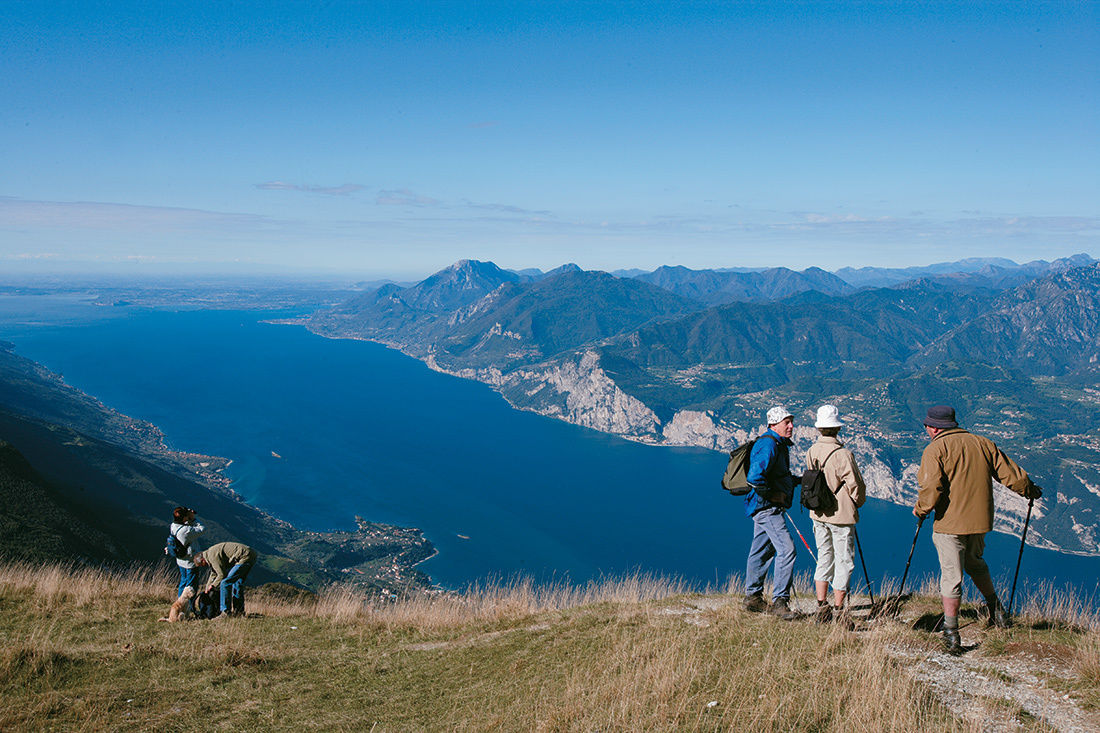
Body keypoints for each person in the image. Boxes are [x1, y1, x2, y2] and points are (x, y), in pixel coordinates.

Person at [913, 405, 1042, 653]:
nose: (927, 430)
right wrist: (1030, 490)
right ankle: (997, 611)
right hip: (979, 520)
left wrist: (921, 510)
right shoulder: (983, 443)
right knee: (975, 562)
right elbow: (1011, 475)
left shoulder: (935, 449)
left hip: (950, 523)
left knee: (952, 576)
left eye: (927, 426)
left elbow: (931, 487)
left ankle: (951, 633)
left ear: (935, 427)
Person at [805, 405, 866, 625]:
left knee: (824, 558)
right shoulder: (843, 454)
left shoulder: (812, 450)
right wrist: (857, 503)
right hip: (840, 516)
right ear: (837, 428)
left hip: (818, 513)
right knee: (844, 562)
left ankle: (822, 606)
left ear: (820, 428)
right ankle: (839, 611)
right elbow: (856, 486)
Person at [742, 406, 800, 620]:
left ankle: (752, 598)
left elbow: (776, 475)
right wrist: (773, 496)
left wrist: (800, 480)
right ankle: (780, 602)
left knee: (761, 550)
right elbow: (755, 477)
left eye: (791, 421)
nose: (791, 426)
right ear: (774, 424)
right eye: (787, 422)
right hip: (767, 508)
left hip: (761, 507)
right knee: (787, 550)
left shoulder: (776, 444)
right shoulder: (769, 444)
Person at [193, 541, 257, 618]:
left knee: (225, 583)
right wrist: (207, 587)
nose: (203, 566)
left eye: (202, 565)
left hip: (244, 557)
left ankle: (225, 612)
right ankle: (239, 612)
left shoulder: (212, 556)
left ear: (203, 560)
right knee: (237, 583)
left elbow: (221, 574)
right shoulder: (209, 554)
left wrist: (213, 585)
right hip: (250, 554)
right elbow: (214, 573)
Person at [169, 506, 205, 612]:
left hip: (180, 560)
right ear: (184, 518)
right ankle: (189, 608)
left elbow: (185, 528)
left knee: (183, 583)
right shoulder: (186, 530)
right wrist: (193, 519)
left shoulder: (173, 526)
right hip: (190, 562)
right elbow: (202, 529)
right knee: (191, 587)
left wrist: (186, 518)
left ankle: (181, 605)